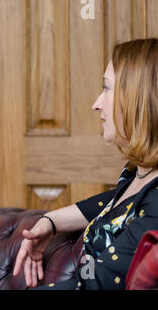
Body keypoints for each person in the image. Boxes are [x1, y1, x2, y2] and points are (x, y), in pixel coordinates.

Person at [13, 38, 158, 290]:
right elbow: (114, 205)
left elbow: (94, 284)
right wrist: (50, 221)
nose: (96, 104)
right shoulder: (137, 175)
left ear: (139, 100)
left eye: (106, 88)